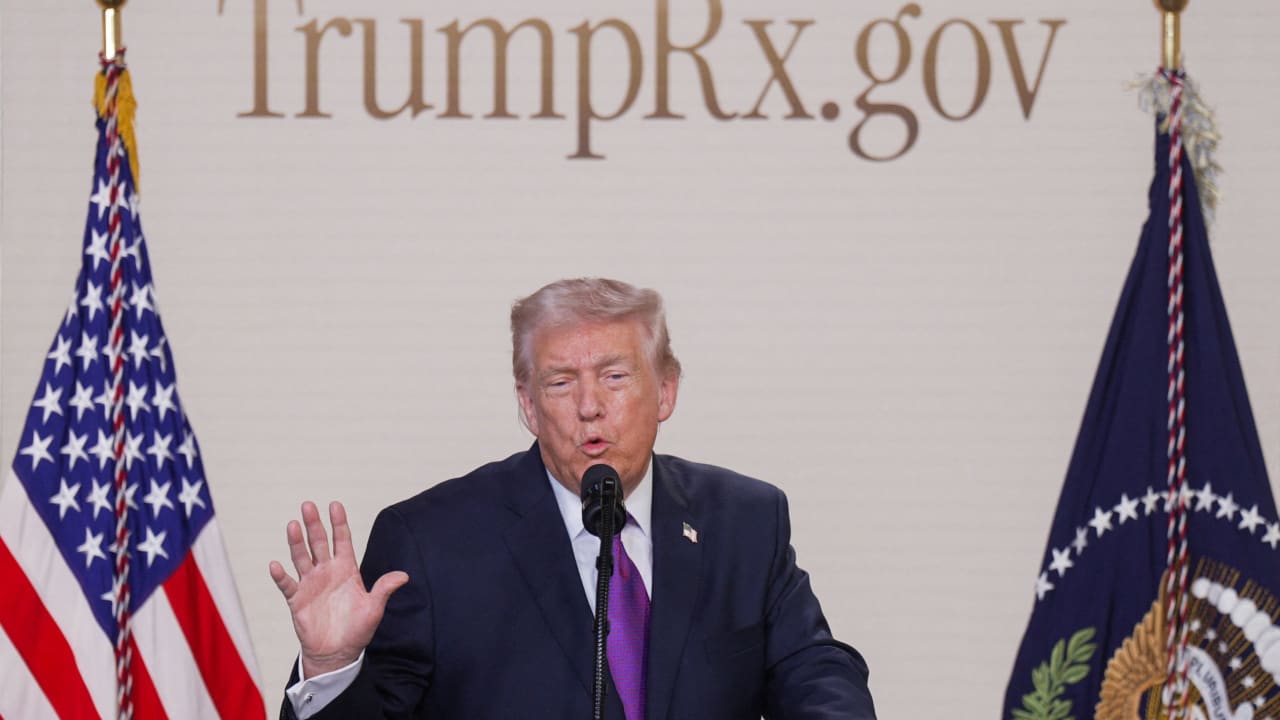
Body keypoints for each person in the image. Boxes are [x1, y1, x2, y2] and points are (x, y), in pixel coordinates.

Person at [272, 278, 877, 719]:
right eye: (561, 382)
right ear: (529, 407)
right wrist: (332, 670)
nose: (590, 405)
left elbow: (814, 670)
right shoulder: (432, 541)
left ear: (665, 391)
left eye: (615, 377)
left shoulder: (744, 520)